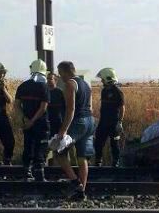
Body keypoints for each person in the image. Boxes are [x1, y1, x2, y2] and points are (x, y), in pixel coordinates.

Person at [53, 61, 94, 198]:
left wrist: (63, 131)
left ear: (65, 72)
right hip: (90, 121)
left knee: (58, 151)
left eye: (60, 73)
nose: (60, 76)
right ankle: (81, 192)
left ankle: (76, 183)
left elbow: (71, 110)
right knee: (82, 157)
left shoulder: (70, 85)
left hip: (78, 122)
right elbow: (91, 107)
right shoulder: (86, 85)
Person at [15, 59, 50, 181]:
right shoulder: (44, 86)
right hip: (40, 123)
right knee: (41, 146)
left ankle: (26, 171)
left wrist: (24, 119)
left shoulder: (23, 86)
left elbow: (17, 105)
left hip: (27, 123)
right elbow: (43, 107)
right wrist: (33, 121)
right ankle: (39, 174)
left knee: (28, 146)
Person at [93, 67, 125, 167]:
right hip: (103, 122)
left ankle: (116, 163)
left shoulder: (118, 91)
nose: (102, 81)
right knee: (98, 142)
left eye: (103, 79)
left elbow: (122, 108)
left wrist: (120, 122)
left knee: (114, 143)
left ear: (108, 78)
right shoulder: (104, 91)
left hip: (114, 122)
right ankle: (98, 161)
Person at [47, 71, 65, 137]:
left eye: (50, 79)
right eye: (47, 78)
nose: (48, 80)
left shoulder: (60, 92)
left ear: (56, 80)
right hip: (47, 120)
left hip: (57, 120)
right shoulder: (45, 92)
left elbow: (65, 107)